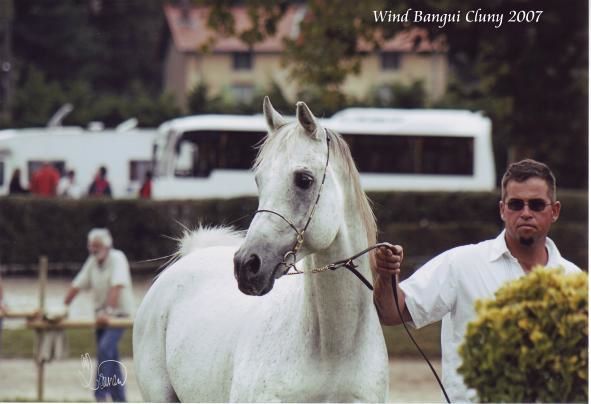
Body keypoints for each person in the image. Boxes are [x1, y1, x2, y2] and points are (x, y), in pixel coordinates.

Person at [373, 159, 581, 402]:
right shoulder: (461, 263)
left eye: (536, 205)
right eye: (516, 204)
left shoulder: (575, 282)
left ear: (554, 210)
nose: (526, 213)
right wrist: (386, 274)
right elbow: (391, 312)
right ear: (503, 209)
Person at [64, 228, 134, 402]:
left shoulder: (118, 258)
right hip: (100, 317)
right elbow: (78, 284)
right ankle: (120, 399)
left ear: (107, 246)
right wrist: (62, 306)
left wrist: (107, 312)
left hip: (118, 315)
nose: (94, 249)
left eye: (97, 245)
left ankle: (100, 395)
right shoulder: (92, 261)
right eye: (91, 246)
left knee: (105, 349)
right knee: (111, 355)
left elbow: (116, 287)